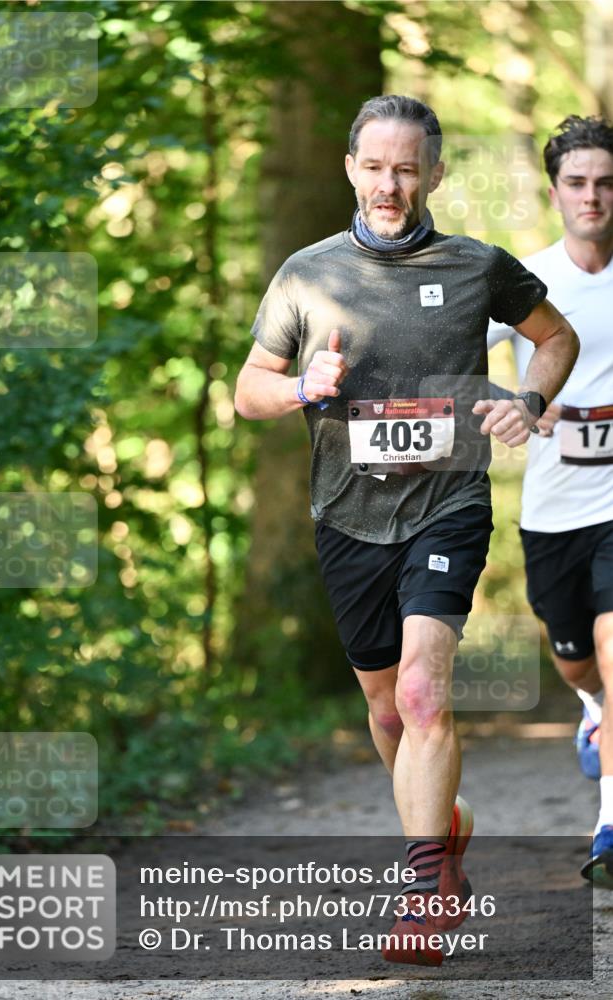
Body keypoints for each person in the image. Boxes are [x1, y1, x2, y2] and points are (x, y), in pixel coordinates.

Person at [235, 94, 579, 965]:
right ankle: (442, 830)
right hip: (346, 515)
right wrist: (302, 388)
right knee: (387, 709)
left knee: (424, 693)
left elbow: (555, 338)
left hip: (448, 503)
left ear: (434, 172)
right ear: (350, 168)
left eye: (406, 168)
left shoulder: (475, 267)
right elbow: (247, 391)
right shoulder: (306, 274)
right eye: (374, 167)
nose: (389, 186)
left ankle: (423, 892)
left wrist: (526, 400)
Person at [488, 114, 613, 889]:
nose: (591, 196)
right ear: (554, 192)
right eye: (577, 183)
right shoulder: (524, 282)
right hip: (552, 511)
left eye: (605, 183)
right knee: (576, 663)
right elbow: (455, 368)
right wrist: (518, 404)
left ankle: (607, 828)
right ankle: (591, 707)